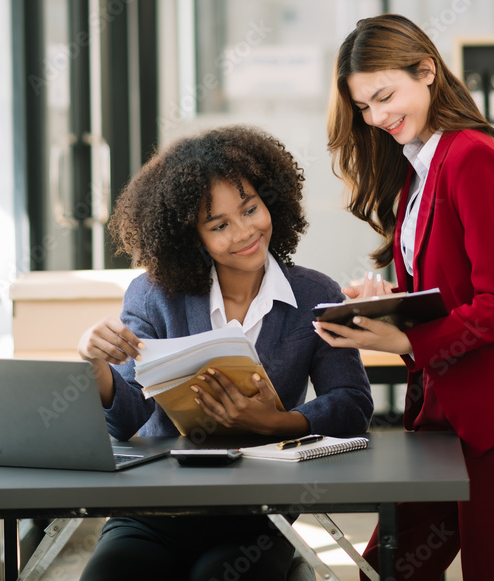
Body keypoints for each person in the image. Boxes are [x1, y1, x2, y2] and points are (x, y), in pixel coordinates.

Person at [314, 13, 494, 581]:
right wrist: (388, 301)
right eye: (364, 108)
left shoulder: (472, 157)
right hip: (442, 416)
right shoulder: (417, 172)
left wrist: (403, 336)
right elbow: (450, 291)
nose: (377, 118)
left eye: (385, 96)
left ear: (426, 71)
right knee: (384, 568)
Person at [77, 125, 373, 581]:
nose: (244, 232)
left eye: (250, 209)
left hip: (257, 514)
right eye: (219, 225)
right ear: (190, 238)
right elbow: (126, 419)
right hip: (156, 512)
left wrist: (276, 423)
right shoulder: (152, 295)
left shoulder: (315, 293)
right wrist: (95, 366)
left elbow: (352, 404)